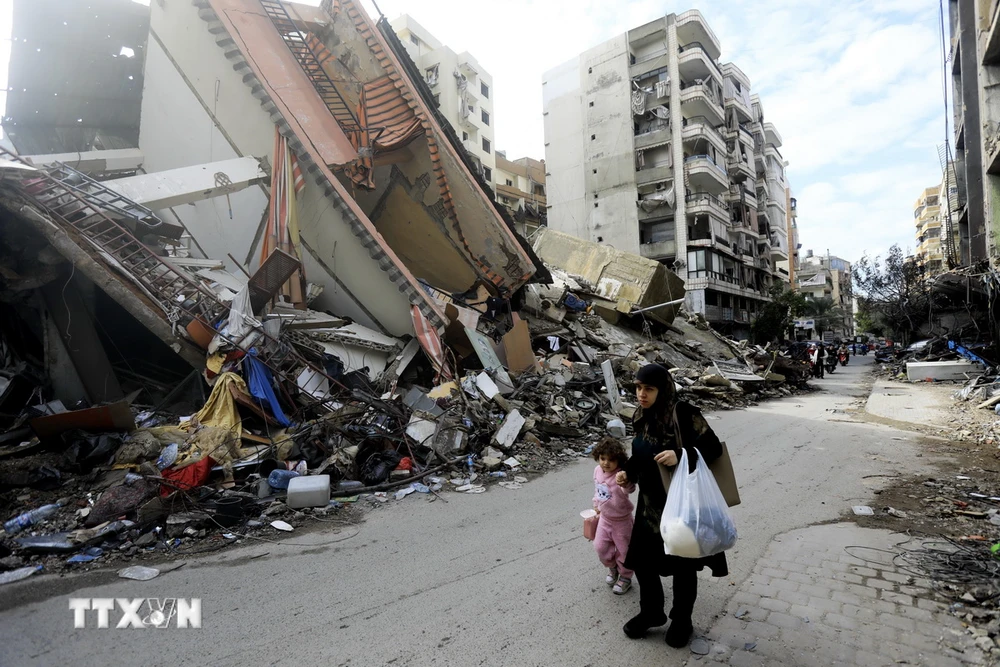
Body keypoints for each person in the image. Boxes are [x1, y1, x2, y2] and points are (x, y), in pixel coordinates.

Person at [616, 363, 727, 649]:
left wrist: (682, 454)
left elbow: (713, 448)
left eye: (648, 389)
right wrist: (628, 471)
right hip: (650, 507)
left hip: (682, 507)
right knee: (643, 562)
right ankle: (652, 612)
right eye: (638, 388)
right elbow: (640, 452)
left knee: (682, 566)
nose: (641, 394)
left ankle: (682, 621)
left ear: (662, 389)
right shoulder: (641, 414)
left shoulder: (684, 413)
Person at [591, 437, 636, 595]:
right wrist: (596, 505)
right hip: (605, 518)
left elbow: (629, 489)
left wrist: (626, 481)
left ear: (619, 460)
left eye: (611, 460)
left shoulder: (620, 475)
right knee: (600, 547)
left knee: (625, 551)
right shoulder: (597, 470)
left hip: (622, 521)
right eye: (603, 458)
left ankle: (625, 577)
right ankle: (613, 567)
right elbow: (598, 490)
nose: (605, 463)